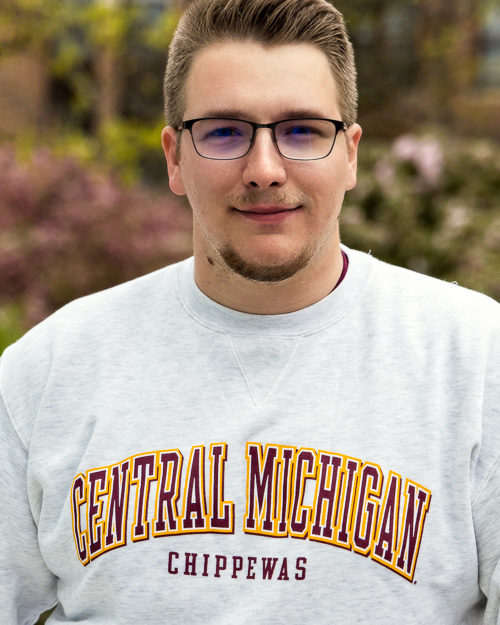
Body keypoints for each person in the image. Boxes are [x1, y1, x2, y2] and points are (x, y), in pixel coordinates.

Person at [0, 0, 499, 622]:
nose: (264, 170)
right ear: (174, 157)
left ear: (350, 154)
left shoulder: (478, 364)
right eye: (224, 132)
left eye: (302, 131)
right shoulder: (45, 375)